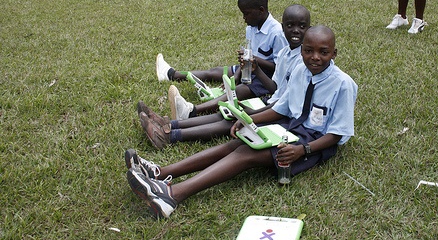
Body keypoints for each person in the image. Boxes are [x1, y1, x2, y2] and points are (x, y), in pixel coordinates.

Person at [125, 25, 358, 218]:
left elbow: (336, 135)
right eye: (308, 51)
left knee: (244, 155)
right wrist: (248, 120)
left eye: (323, 52)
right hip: (291, 128)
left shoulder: (343, 84)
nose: (314, 57)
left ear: (334, 54)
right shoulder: (300, 70)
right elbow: (282, 108)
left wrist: (302, 150)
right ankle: (160, 173)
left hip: (314, 143)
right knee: (233, 145)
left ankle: (171, 196)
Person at [137, 5, 311, 148]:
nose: (295, 31)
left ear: (308, 29)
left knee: (231, 120)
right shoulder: (285, 53)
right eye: (290, 26)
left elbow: (286, 105)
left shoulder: (304, 62)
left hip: (280, 112)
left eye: (301, 26)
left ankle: (169, 136)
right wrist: (256, 69)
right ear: (283, 27)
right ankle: (169, 124)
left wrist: (256, 113)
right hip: (272, 103)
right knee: (226, 113)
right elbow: (276, 89)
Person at [156, 0, 287, 84]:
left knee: (238, 89)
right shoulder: (251, 28)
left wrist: (254, 60)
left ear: (261, 10)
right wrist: (236, 75)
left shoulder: (276, 33)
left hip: (266, 77)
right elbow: (247, 60)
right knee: (213, 72)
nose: (244, 18)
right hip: (249, 70)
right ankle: (172, 74)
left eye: (246, 14)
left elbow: (280, 68)